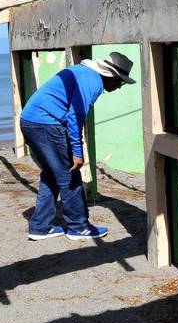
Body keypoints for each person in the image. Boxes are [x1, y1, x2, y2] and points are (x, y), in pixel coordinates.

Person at [19, 51, 136, 241]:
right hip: (46, 123)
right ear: (111, 75)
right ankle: (78, 227)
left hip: (30, 120)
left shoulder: (84, 72)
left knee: (51, 174)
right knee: (69, 175)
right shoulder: (93, 82)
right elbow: (75, 116)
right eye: (120, 81)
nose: (120, 85)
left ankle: (40, 227)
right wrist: (77, 151)